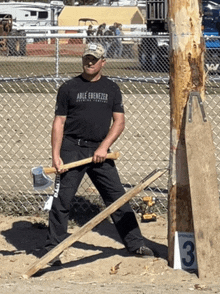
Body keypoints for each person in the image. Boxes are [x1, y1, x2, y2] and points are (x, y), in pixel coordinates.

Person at [41, 43, 154, 266]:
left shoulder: (111, 88)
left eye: (94, 59)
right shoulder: (68, 87)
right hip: (72, 149)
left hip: (100, 151)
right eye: (86, 58)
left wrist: (104, 147)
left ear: (103, 62)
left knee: (117, 198)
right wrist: (56, 155)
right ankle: (52, 250)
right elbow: (59, 123)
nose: (89, 62)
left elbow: (119, 122)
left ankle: (135, 243)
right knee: (61, 200)